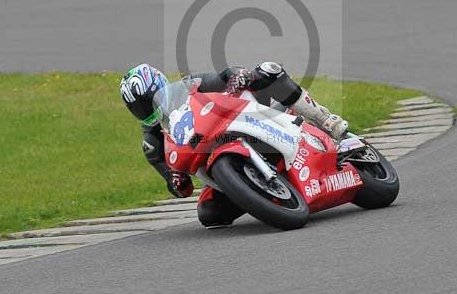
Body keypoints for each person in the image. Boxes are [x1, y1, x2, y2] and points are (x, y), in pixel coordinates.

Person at [119, 63, 349, 227]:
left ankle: (323, 119)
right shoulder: (152, 143)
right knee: (209, 214)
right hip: (212, 162)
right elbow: (179, 187)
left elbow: (227, 74)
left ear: (161, 85)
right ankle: (260, 195)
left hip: (237, 123)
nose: (147, 108)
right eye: (139, 107)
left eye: (149, 100)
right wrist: (175, 180)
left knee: (268, 71)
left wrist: (236, 78)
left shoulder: (190, 85)